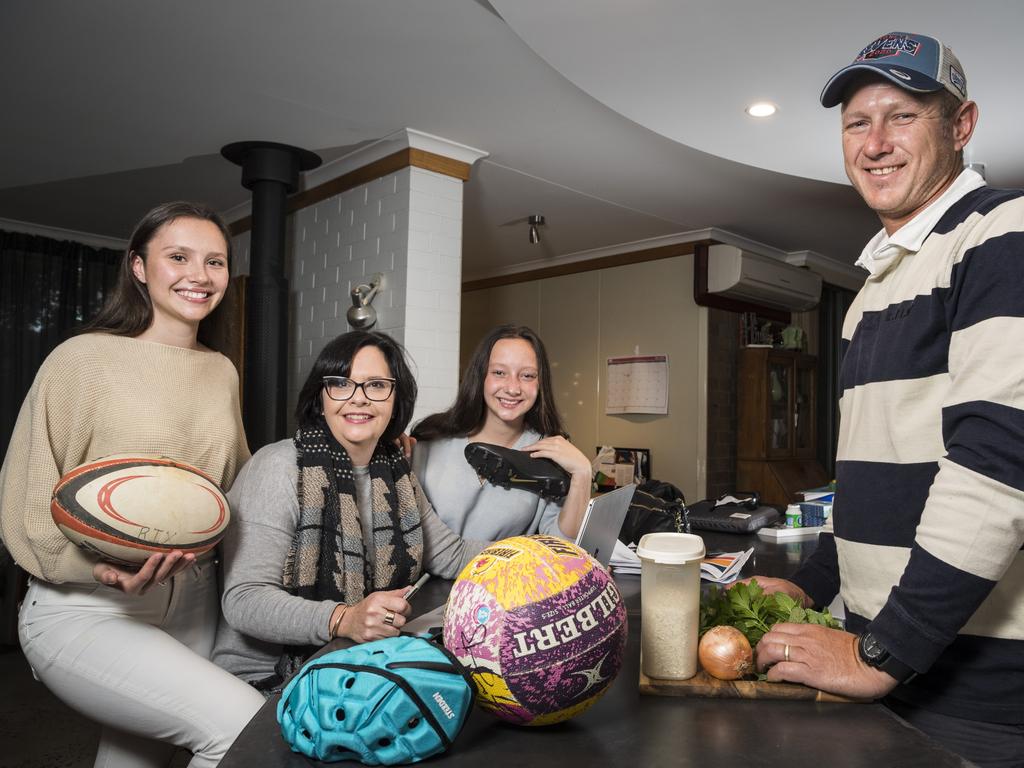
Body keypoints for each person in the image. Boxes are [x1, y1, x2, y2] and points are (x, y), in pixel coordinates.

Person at [748, 32, 1023, 767]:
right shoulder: (872, 290)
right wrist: (810, 586)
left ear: (959, 126)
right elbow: (874, 481)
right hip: (886, 666)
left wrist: (882, 652)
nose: (874, 143)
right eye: (856, 123)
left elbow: (998, 466)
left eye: (901, 116)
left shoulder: (1004, 234)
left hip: (974, 691)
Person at [0, 201, 265, 767]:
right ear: (139, 267)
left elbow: (238, 485)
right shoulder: (83, 359)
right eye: (178, 257)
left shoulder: (221, 370)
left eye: (215, 261)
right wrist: (93, 568)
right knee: (248, 733)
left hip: (195, 602)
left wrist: (338, 452)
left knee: (135, 761)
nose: (199, 274)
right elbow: (27, 489)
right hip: (87, 606)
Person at [212, 330, 487, 689]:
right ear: (320, 396)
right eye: (341, 384)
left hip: (351, 663)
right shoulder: (280, 467)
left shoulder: (396, 472)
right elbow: (245, 601)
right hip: (266, 679)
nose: (358, 399)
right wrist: (344, 619)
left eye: (376, 385)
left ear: (395, 400)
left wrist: (542, 558)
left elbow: (450, 554)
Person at [410, 324, 592, 541]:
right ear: (481, 377)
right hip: (431, 574)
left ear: (540, 384)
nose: (513, 388)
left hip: (502, 574)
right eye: (499, 373)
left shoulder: (548, 455)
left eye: (527, 376)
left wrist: (583, 474)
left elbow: (561, 546)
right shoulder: (429, 441)